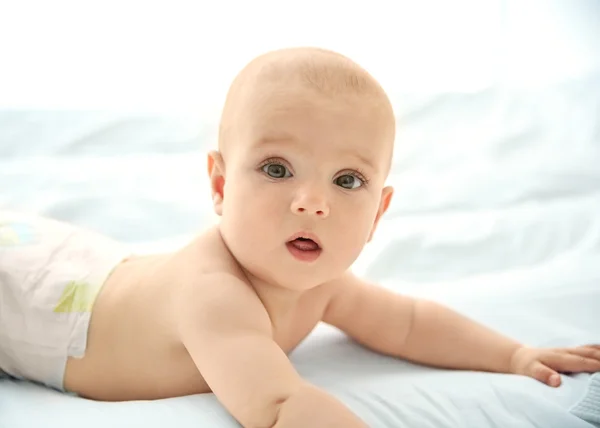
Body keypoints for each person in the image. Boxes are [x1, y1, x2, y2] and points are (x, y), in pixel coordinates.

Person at [1, 47, 599, 428]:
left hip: (99, 272)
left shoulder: (321, 283)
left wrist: (514, 355)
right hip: (42, 309)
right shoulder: (215, 295)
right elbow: (279, 406)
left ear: (379, 210)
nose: (311, 201)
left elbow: (410, 322)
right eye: (277, 168)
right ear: (219, 184)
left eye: (347, 180)